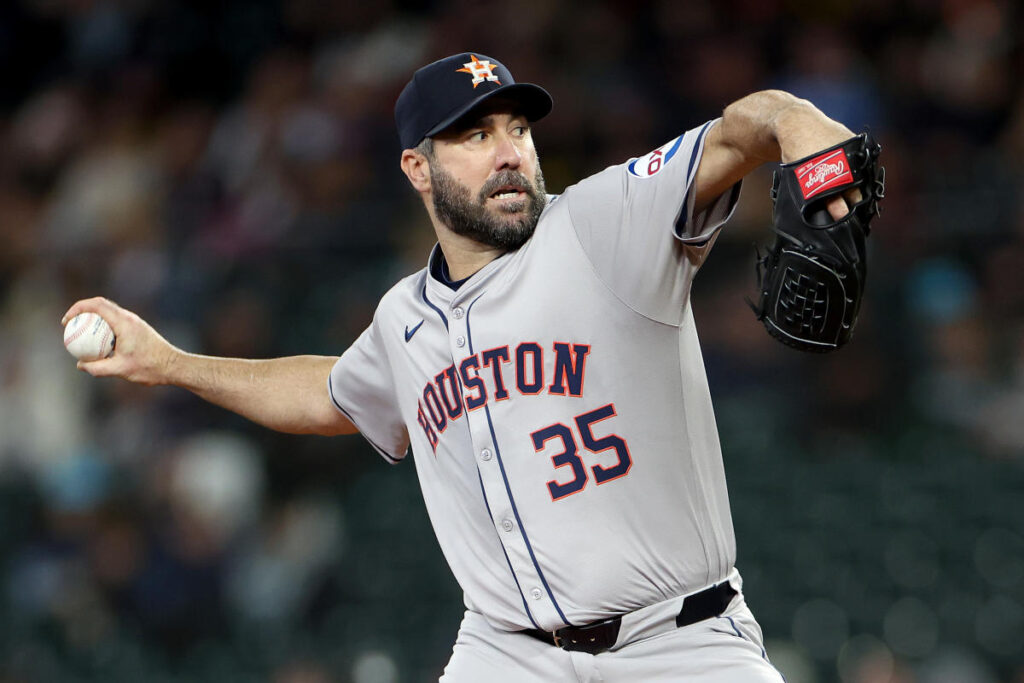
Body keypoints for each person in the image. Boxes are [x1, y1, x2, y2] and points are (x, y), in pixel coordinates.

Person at [63, 53, 865, 681]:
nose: (509, 152)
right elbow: (329, 393)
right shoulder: (403, 318)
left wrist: (807, 144)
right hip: (508, 656)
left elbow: (746, 127)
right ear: (418, 168)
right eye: (476, 136)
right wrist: (168, 363)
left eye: (517, 128)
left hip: (679, 642)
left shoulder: (602, 221)